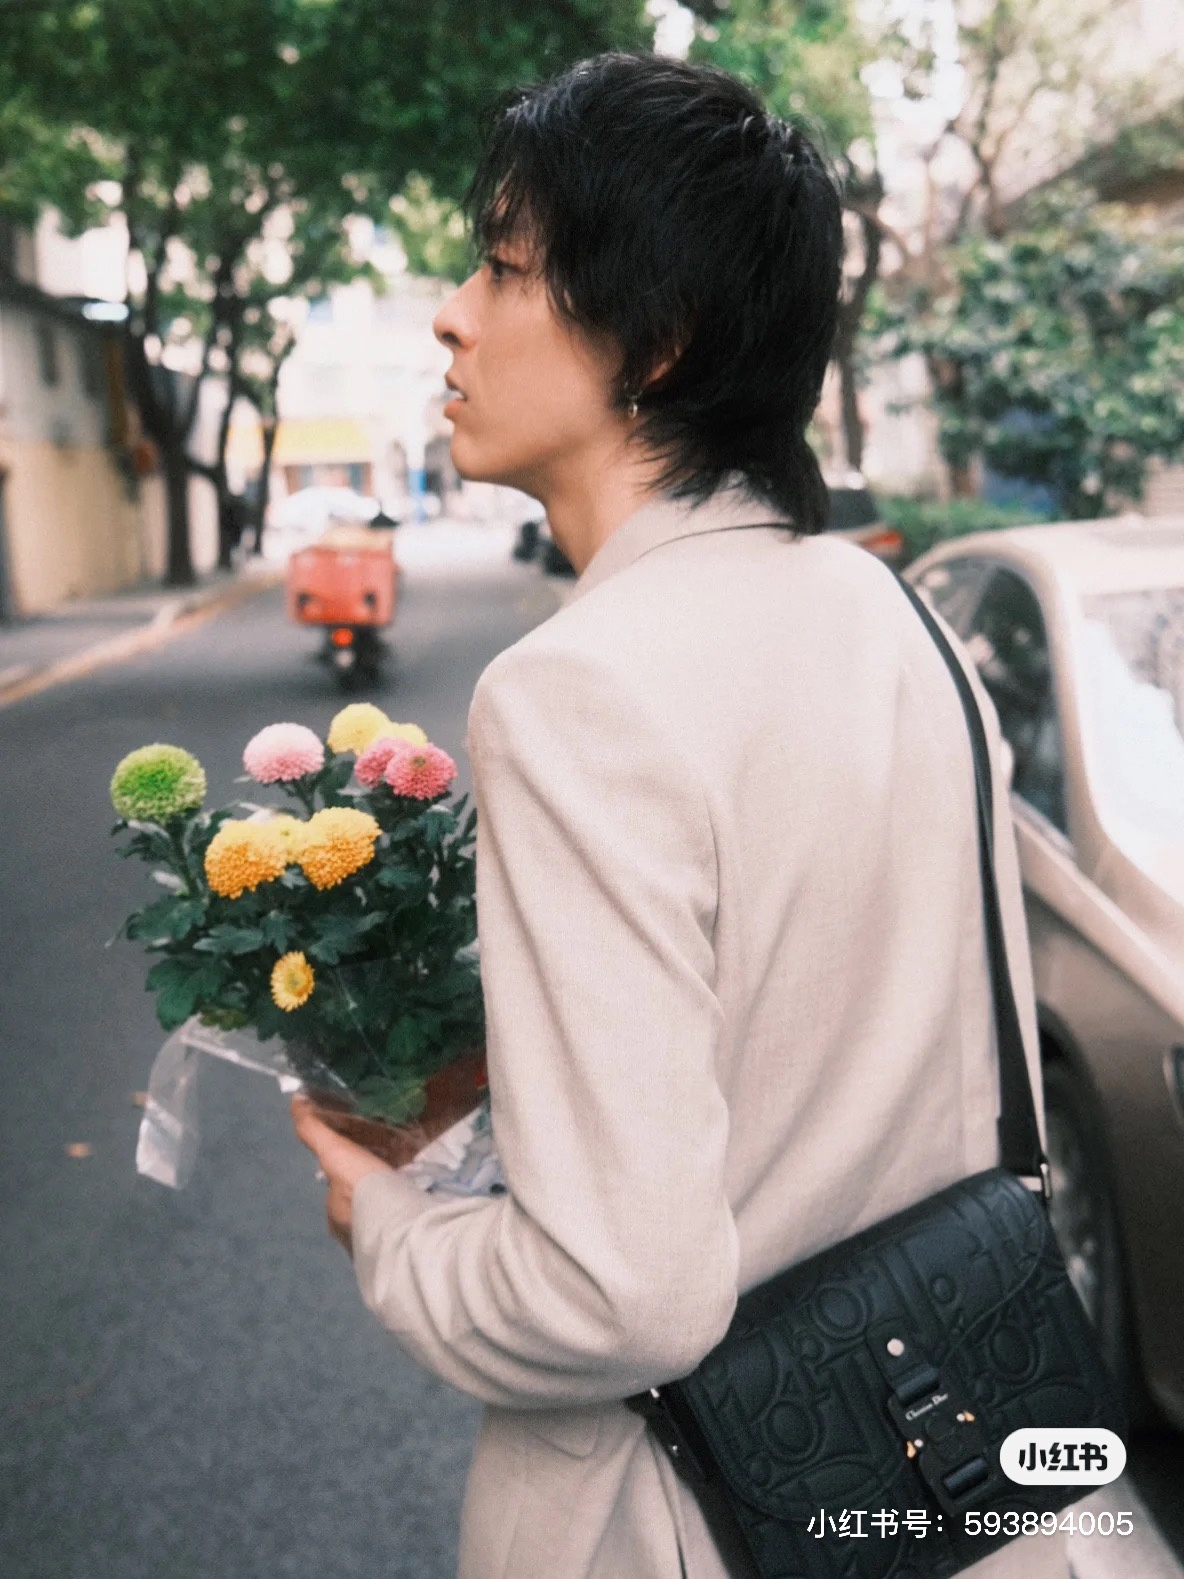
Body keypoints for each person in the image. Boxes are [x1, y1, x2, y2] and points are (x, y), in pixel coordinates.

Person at [292, 52, 1065, 1579]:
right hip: (963, 1466)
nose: (450, 312)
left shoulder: (575, 689)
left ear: (657, 341)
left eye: (503, 266)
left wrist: (385, 1223)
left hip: (696, 1514)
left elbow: (617, 1298)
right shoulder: (893, 614)